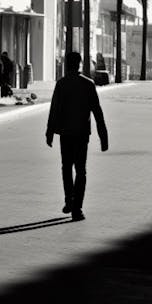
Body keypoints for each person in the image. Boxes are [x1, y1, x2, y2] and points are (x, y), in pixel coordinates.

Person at [46, 50, 108, 222]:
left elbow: (54, 110)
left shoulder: (62, 84)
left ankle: (69, 200)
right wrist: (103, 136)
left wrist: (50, 132)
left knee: (66, 167)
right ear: (80, 64)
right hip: (81, 134)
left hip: (65, 133)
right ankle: (77, 208)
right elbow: (97, 112)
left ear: (67, 64)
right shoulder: (88, 84)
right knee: (81, 170)